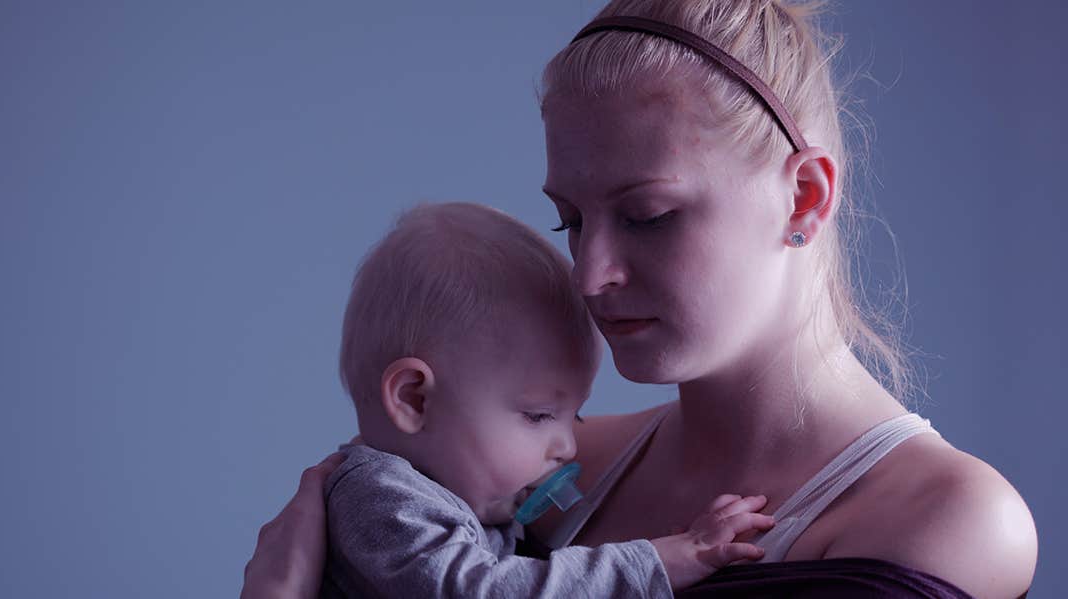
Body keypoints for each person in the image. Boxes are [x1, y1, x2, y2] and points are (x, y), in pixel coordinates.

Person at [241, 1, 1038, 597]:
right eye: (572, 221)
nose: (590, 275)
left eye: (647, 216)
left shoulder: (950, 518)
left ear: (803, 197)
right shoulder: (540, 462)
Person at [323, 201, 774, 597]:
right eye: (538, 415)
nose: (568, 447)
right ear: (415, 399)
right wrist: (659, 562)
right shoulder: (381, 501)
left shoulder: (467, 502)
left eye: (572, 416)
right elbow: (486, 591)